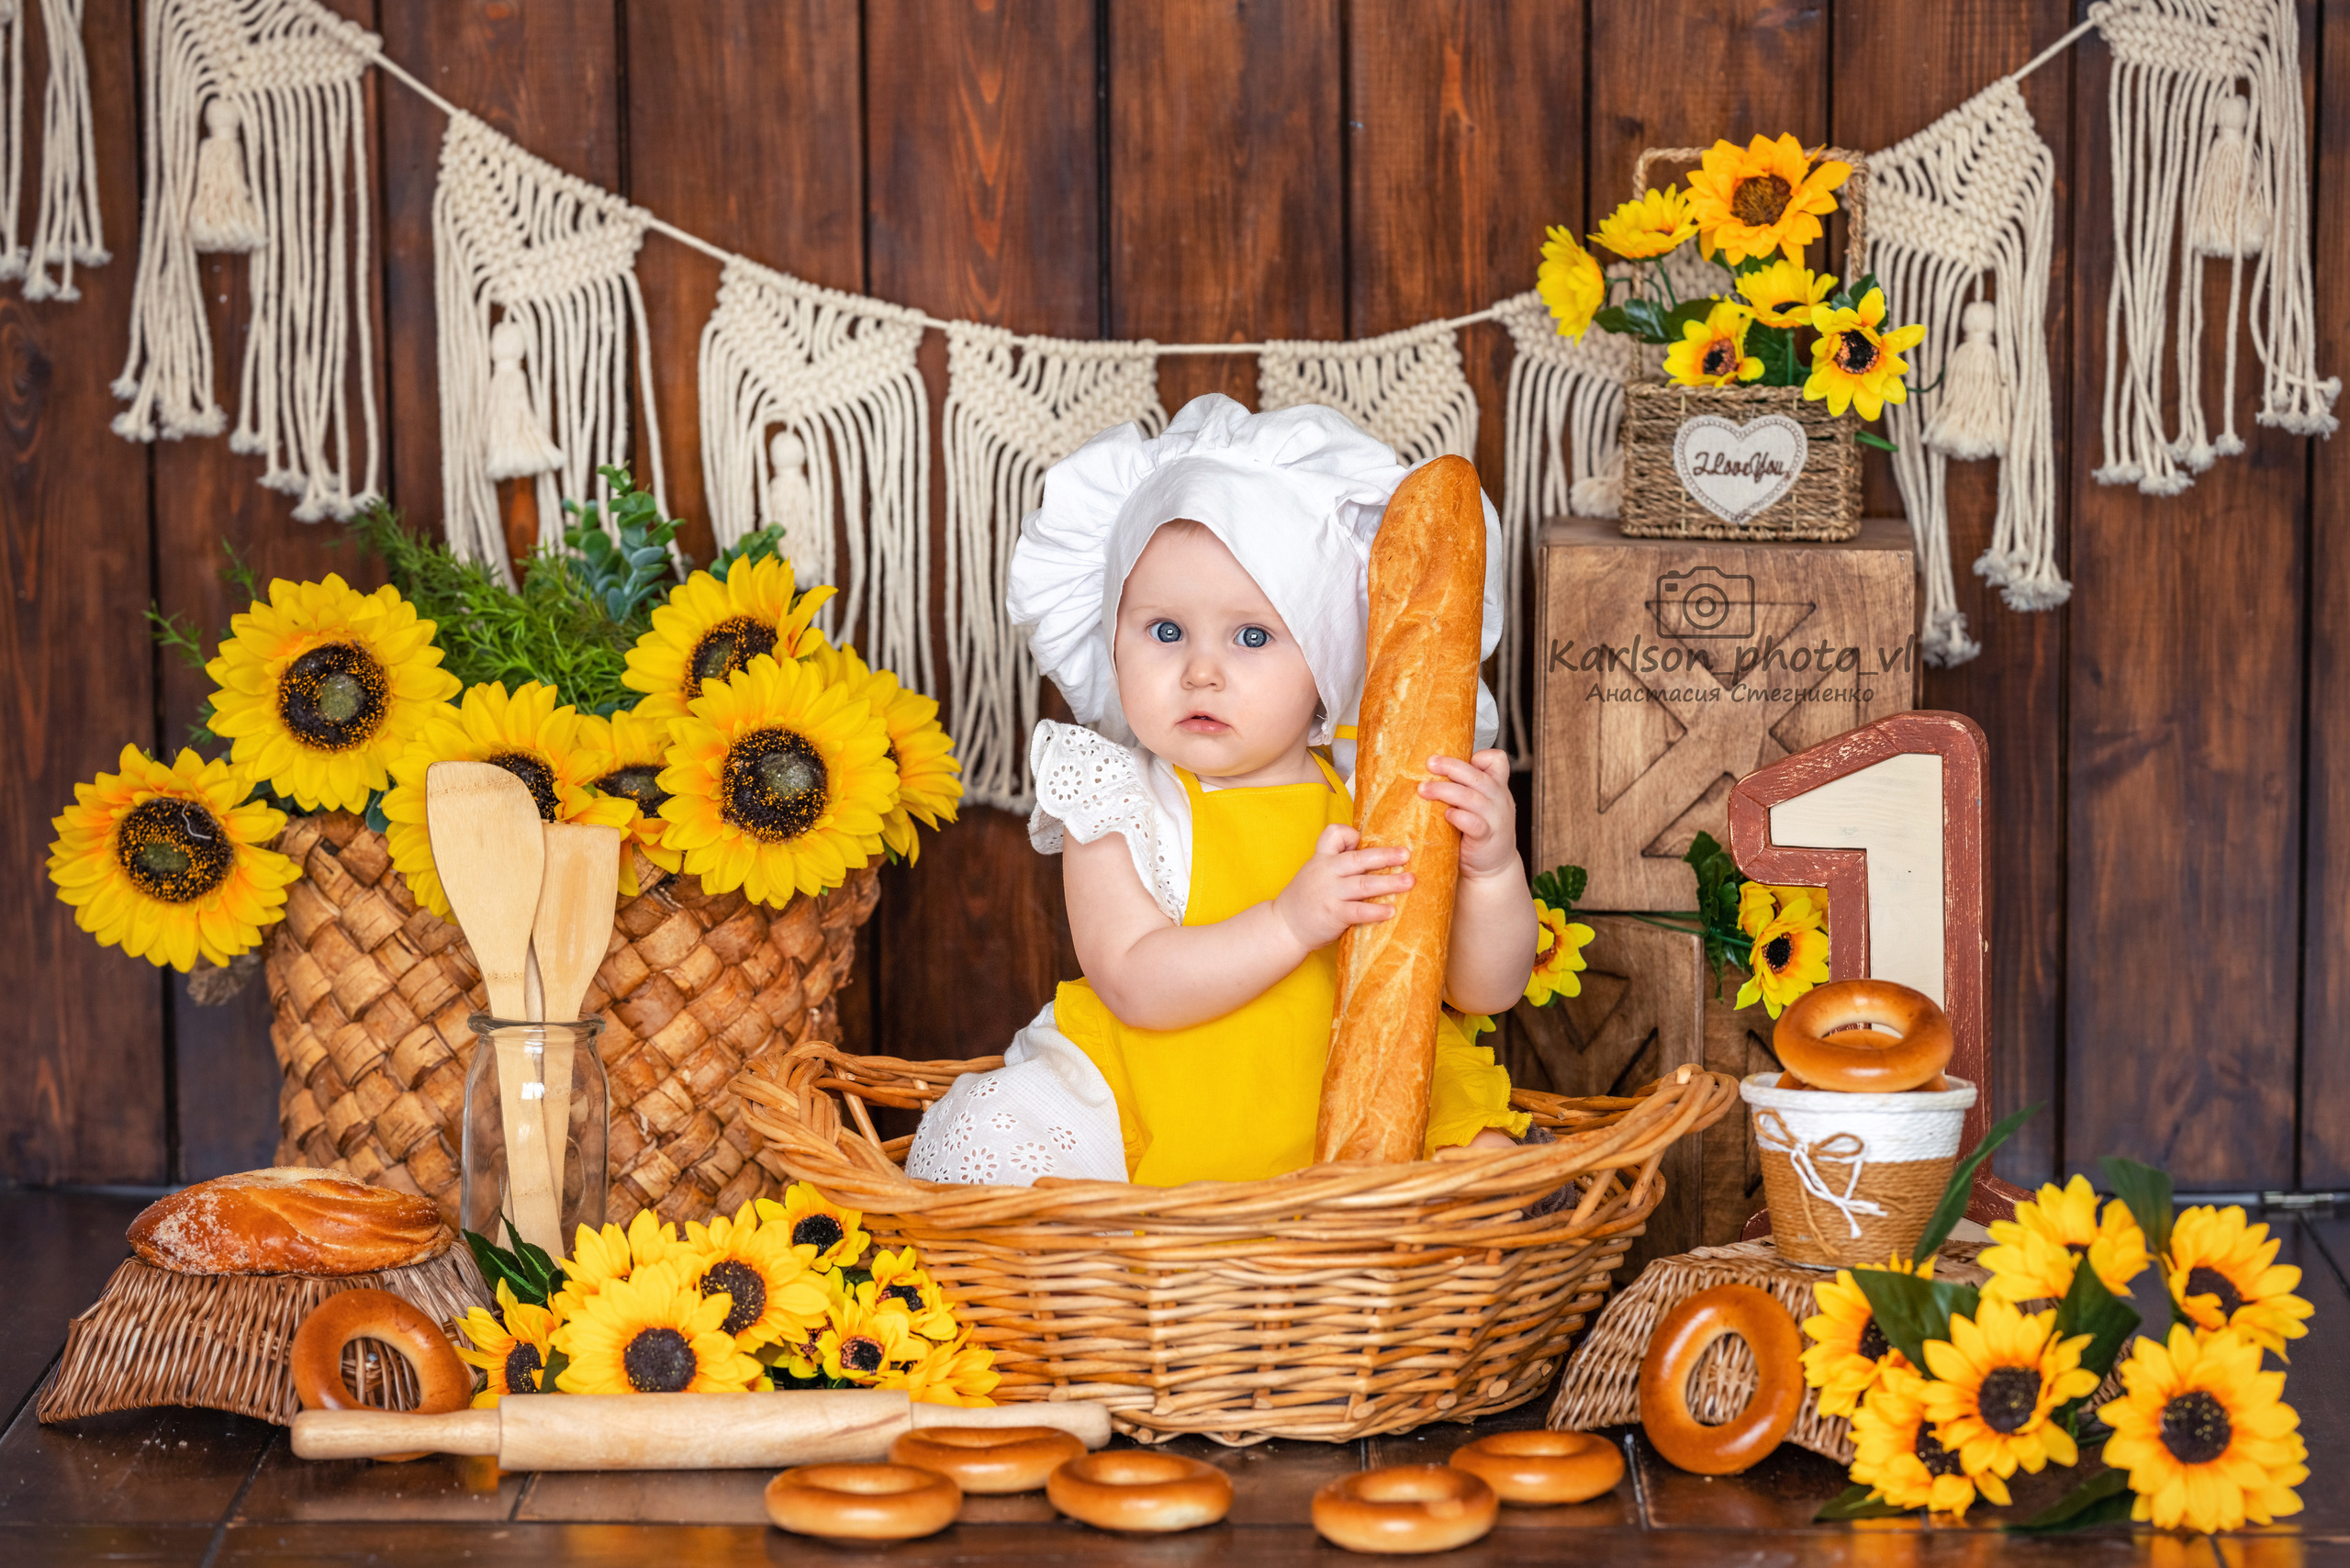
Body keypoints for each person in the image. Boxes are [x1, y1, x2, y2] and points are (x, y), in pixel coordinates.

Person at [906, 395, 1538, 1189]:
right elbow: (1133, 979)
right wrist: (1290, 922)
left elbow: (1484, 989)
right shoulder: (1116, 800)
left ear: (1327, 664)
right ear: (1112, 639)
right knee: (992, 1138)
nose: (1201, 671)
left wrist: (1490, 871)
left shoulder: (1375, 800)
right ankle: (1137, 1258)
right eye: (1166, 631)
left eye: (1252, 636)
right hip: (1162, 1106)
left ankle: (1382, 1255)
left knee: (1488, 1173)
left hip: (1362, 1111)